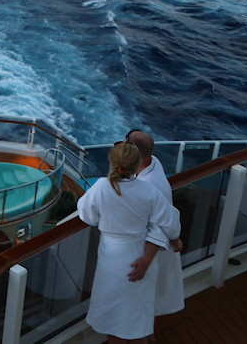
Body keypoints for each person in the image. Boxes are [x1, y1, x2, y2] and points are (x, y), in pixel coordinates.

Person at [77, 142, 181, 344]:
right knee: (138, 318)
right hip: (141, 257)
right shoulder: (149, 191)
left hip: (112, 261)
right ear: (136, 165)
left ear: (112, 162)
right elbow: (171, 224)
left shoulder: (101, 187)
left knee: (113, 320)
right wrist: (175, 240)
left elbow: (87, 216)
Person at [126, 129, 185, 330]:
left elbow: (163, 223)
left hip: (153, 250)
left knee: (146, 301)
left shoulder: (150, 186)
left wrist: (174, 240)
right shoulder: (153, 162)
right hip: (152, 244)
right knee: (145, 300)